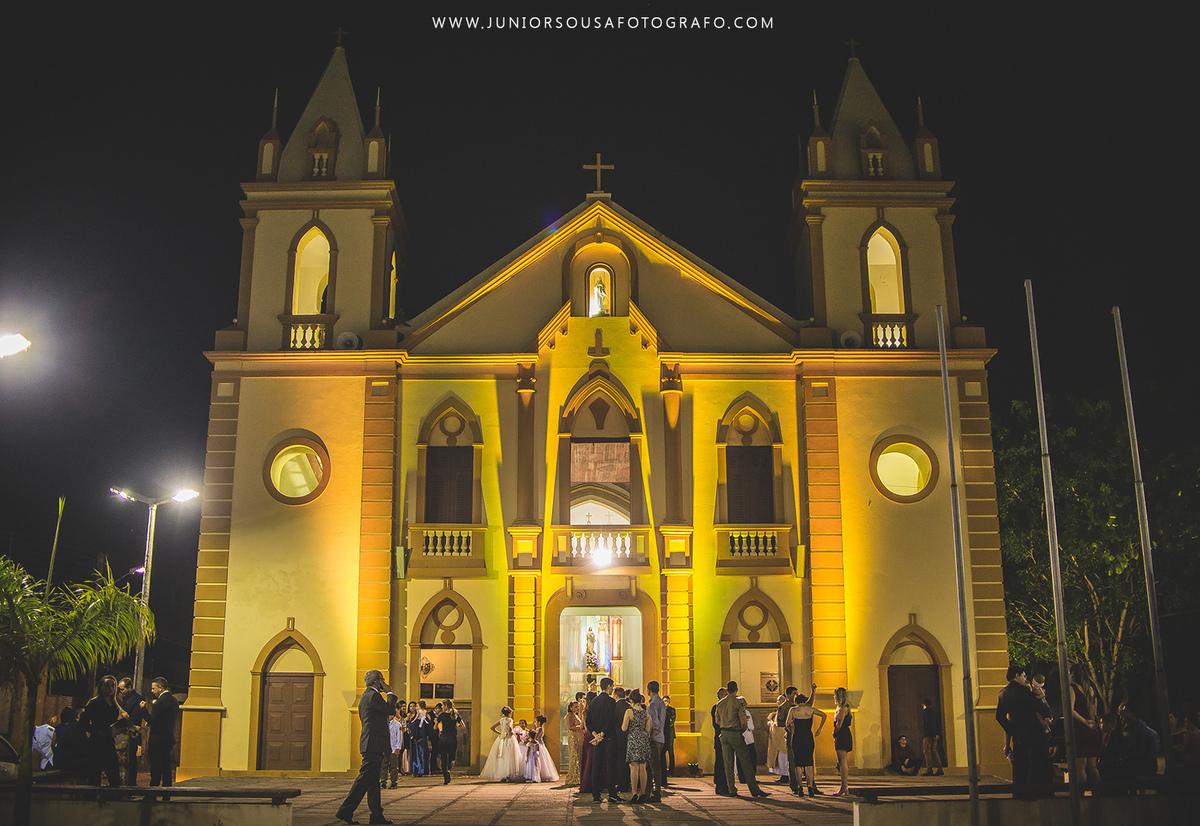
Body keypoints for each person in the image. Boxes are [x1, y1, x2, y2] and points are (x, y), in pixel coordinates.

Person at [336, 669, 398, 826]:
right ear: (376, 681)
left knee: (373, 783)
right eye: (382, 680)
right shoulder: (373, 696)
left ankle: (376, 815)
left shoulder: (366, 696)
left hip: (372, 743)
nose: (384, 683)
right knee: (363, 780)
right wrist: (390, 693)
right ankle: (345, 810)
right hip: (373, 744)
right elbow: (390, 710)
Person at [995, 665, 1052, 796]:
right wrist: (1042, 698)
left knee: (1021, 768)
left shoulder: (1003, 693)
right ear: (1017, 675)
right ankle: (1037, 796)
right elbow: (1043, 709)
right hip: (1034, 735)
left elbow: (999, 716)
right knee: (1037, 767)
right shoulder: (1024, 691)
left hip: (1018, 737)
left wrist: (1012, 730)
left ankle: (1020, 795)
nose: (1025, 679)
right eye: (1024, 676)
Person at [714, 680, 769, 797]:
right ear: (736, 689)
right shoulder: (738, 702)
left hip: (724, 734)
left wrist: (725, 725)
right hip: (735, 733)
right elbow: (743, 721)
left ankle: (731, 789)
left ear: (727, 690)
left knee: (728, 763)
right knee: (746, 761)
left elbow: (717, 720)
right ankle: (754, 789)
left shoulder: (720, 703)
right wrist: (740, 729)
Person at [80, 675, 126, 787]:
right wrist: (96, 731)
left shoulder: (114, 703)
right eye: (107, 686)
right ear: (101, 687)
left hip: (109, 742)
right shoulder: (94, 703)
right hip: (96, 743)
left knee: (114, 777)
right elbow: (82, 722)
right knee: (95, 777)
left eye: (113, 686)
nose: (110, 688)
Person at [139, 677, 180, 788]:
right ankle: (167, 790)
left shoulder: (159, 702)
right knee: (166, 765)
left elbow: (153, 720)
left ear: (161, 688)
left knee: (156, 766)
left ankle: (153, 791)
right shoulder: (174, 701)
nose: (152, 691)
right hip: (168, 737)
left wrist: (143, 709)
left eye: (153, 688)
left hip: (157, 739)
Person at [586, 676, 622, 803]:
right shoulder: (611, 702)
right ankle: (612, 794)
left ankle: (596, 794)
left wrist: (595, 734)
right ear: (608, 687)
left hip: (597, 739)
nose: (612, 689)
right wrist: (602, 734)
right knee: (610, 766)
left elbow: (588, 720)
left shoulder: (594, 701)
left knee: (597, 766)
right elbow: (610, 720)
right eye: (612, 686)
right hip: (609, 737)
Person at [786, 688, 825, 796]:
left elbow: (787, 724)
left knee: (798, 764)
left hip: (797, 738)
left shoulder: (793, 710)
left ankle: (800, 788)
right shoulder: (810, 710)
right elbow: (824, 715)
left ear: (796, 701)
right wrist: (819, 728)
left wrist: (792, 730)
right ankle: (810, 787)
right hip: (808, 737)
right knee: (809, 763)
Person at [1068, 664, 1101, 783]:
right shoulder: (1091, 689)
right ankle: (1097, 791)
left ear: (1073, 674)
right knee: (1092, 766)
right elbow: (1094, 712)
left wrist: (1084, 722)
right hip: (1092, 730)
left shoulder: (1073, 688)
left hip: (1080, 730)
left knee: (1080, 767)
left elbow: (1070, 710)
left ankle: (1081, 793)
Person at [622, 690, 652, 802]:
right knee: (643, 768)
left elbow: (624, 728)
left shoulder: (629, 712)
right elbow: (648, 730)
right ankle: (643, 793)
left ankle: (634, 793)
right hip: (643, 740)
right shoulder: (646, 713)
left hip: (633, 740)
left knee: (633, 768)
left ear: (631, 700)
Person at [1118, 702, 1160, 777]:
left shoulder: (1139, 729)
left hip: (1144, 767)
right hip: (1137, 764)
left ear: (1134, 714)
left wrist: (1124, 762)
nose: (1123, 715)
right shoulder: (1131, 727)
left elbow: (1137, 752)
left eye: (1126, 712)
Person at [116, 677, 145, 784]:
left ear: (129, 688)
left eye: (123, 689)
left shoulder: (138, 699)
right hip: (120, 734)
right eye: (119, 689)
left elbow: (135, 717)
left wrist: (126, 718)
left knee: (131, 760)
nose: (121, 692)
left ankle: (131, 783)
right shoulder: (119, 698)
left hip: (131, 734)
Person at [481, 706, 521, 781]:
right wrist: (511, 731)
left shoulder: (501, 720)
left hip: (501, 738)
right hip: (509, 738)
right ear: (509, 713)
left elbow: (492, 727)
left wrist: (500, 732)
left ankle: (502, 775)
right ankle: (509, 774)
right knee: (510, 756)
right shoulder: (510, 720)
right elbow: (510, 727)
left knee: (502, 756)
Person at [52, 707, 88, 783]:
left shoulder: (58, 728)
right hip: (69, 759)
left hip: (57, 756)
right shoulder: (73, 729)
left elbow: (52, 743)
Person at [645, 680, 665, 802]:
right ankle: (656, 790)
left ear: (649, 690)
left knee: (653, 767)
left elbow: (655, 723)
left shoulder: (653, 704)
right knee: (656, 766)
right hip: (661, 737)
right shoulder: (660, 702)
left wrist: (650, 736)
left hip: (655, 738)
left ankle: (655, 792)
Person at [524, 715, 558, 782]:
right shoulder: (539, 729)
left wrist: (529, 738)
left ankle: (539, 774)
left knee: (539, 760)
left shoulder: (539, 729)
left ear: (539, 722)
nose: (534, 723)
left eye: (535, 721)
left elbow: (536, 737)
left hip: (539, 744)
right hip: (538, 744)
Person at [436, 700, 464, 784]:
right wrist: (457, 725)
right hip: (452, 738)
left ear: (446, 706)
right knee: (452, 757)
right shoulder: (455, 714)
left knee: (443, 758)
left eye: (443, 706)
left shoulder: (441, 715)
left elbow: (435, 726)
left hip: (443, 738)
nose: (442, 707)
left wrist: (440, 727)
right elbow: (463, 726)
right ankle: (449, 769)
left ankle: (445, 776)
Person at [832, 686, 853, 795]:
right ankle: (845, 786)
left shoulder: (841, 709)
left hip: (842, 735)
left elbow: (839, 724)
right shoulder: (847, 707)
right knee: (842, 761)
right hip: (846, 734)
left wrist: (834, 733)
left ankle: (844, 786)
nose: (833, 697)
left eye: (835, 695)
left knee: (842, 761)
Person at [709, 688, 729, 794]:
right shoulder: (717, 707)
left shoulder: (723, 706)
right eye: (724, 695)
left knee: (724, 761)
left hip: (721, 737)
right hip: (720, 737)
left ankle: (723, 783)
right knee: (721, 761)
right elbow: (716, 724)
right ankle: (720, 784)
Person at [613, 688, 631, 792]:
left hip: (617, 737)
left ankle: (621, 783)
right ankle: (628, 782)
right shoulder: (629, 706)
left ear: (616, 695)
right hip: (629, 737)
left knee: (619, 761)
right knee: (628, 761)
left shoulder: (615, 706)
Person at [766, 701, 789, 781]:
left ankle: (786, 775)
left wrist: (771, 723)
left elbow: (779, 725)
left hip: (782, 737)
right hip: (777, 739)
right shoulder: (777, 712)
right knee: (780, 758)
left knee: (784, 757)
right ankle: (783, 774)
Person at [565, 697, 585, 785]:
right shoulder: (569, 716)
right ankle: (574, 777)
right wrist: (580, 727)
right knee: (575, 756)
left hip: (578, 737)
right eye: (575, 707)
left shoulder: (575, 715)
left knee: (578, 755)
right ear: (571, 708)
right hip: (573, 737)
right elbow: (570, 727)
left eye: (578, 707)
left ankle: (578, 776)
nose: (577, 708)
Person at [921, 698, 944, 776]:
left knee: (926, 751)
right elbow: (937, 723)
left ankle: (929, 769)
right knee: (934, 751)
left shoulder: (926, 712)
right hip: (935, 735)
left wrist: (931, 733)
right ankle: (940, 769)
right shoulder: (934, 713)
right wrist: (937, 734)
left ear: (924, 705)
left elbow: (928, 724)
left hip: (928, 735)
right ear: (931, 705)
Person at [383, 710, 402, 789]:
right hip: (384, 747)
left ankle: (394, 781)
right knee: (383, 765)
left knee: (393, 766)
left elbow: (399, 737)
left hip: (393, 748)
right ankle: (383, 780)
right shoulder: (383, 724)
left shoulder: (397, 725)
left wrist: (398, 747)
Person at [662, 695, 676, 784]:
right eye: (664, 701)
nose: (665, 702)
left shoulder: (671, 710)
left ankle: (671, 771)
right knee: (662, 752)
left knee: (671, 751)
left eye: (667, 701)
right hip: (663, 733)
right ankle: (664, 770)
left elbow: (672, 721)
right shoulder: (661, 710)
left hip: (670, 733)